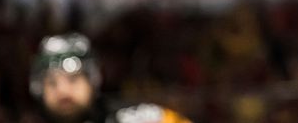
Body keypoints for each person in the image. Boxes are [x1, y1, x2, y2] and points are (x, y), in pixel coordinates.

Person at [30, 33, 192, 123]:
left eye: (73, 80)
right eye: (52, 83)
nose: (63, 91)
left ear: (93, 80)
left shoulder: (135, 118)